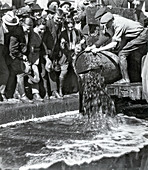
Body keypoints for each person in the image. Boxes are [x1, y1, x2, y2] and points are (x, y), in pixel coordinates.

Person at [91, 12, 147, 84]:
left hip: (141, 35)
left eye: (107, 25)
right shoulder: (113, 17)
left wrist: (98, 49)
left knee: (122, 54)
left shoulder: (118, 25)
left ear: (111, 21)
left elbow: (114, 43)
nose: (106, 27)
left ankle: (125, 79)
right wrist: (93, 46)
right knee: (121, 51)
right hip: (134, 34)